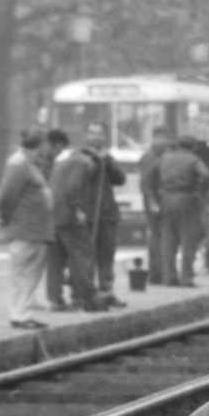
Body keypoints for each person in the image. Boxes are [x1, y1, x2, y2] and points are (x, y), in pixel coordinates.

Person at [0, 128, 54, 330]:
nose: (44, 149)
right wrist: (4, 218)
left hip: (36, 230)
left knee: (30, 274)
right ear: (38, 146)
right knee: (23, 274)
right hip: (25, 229)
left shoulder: (29, 164)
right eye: (42, 146)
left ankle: (23, 313)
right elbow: (7, 196)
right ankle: (19, 315)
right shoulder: (19, 164)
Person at [146, 136, 209, 287]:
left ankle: (169, 278)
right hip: (186, 199)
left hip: (165, 199)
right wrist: (200, 192)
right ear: (193, 147)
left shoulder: (164, 158)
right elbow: (206, 175)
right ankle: (186, 277)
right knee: (188, 238)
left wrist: (152, 197)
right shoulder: (194, 159)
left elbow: (149, 176)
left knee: (168, 239)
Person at [46, 129, 100, 312]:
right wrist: (78, 208)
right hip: (69, 216)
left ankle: (55, 299)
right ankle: (81, 298)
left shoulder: (59, 162)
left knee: (55, 259)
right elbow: (73, 186)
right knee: (81, 255)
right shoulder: (80, 162)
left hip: (53, 216)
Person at [83, 123, 126, 306]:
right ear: (87, 136)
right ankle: (89, 294)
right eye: (92, 133)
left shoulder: (108, 158)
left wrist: (107, 162)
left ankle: (107, 292)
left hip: (107, 214)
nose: (95, 137)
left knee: (107, 255)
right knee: (88, 256)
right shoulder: (81, 156)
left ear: (105, 137)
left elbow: (120, 179)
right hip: (89, 214)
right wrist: (95, 162)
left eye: (99, 133)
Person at [137, 127, 173, 278]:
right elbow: (145, 182)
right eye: (162, 138)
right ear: (155, 138)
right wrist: (152, 202)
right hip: (153, 201)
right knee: (157, 237)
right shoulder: (149, 157)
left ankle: (158, 272)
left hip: (161, 200)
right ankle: (157, 272)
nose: (165, 142)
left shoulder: (163, 155)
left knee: (161, 237)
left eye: (166, 139)